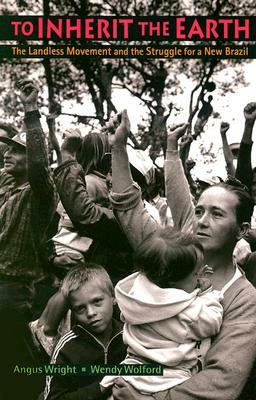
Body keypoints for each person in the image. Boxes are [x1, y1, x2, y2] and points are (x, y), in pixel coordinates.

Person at [108, 111, 256, 400]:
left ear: (242, 229)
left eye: (216, 214)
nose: (201, 220)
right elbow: (130, 210)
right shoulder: (170, 258)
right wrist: (118, 147)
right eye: (199, 211)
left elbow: (223, 380)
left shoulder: (244, 299)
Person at [101, 228, 223, 394]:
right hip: (164, 378)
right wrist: (208, 294)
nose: (199, 278)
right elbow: (213, 321)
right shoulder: (188, 313)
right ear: (172, 280)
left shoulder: (135, 295)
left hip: (132, 370)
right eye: (195, 274)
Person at [0, 80, 57, 399]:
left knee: (14, 366)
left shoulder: (40, 194)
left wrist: (31, 111)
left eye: (15, 150)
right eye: (6, 149)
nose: (7, 153)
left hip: (11, 292)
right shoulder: (5, 183)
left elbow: (39, 163)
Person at [43, 263, 127, 400]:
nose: (91, 313)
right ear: (73, 312)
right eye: (80, 308)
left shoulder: (128, 336)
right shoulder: (66, 348)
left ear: (113, 297)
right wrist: (100, 388)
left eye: (97, 301)